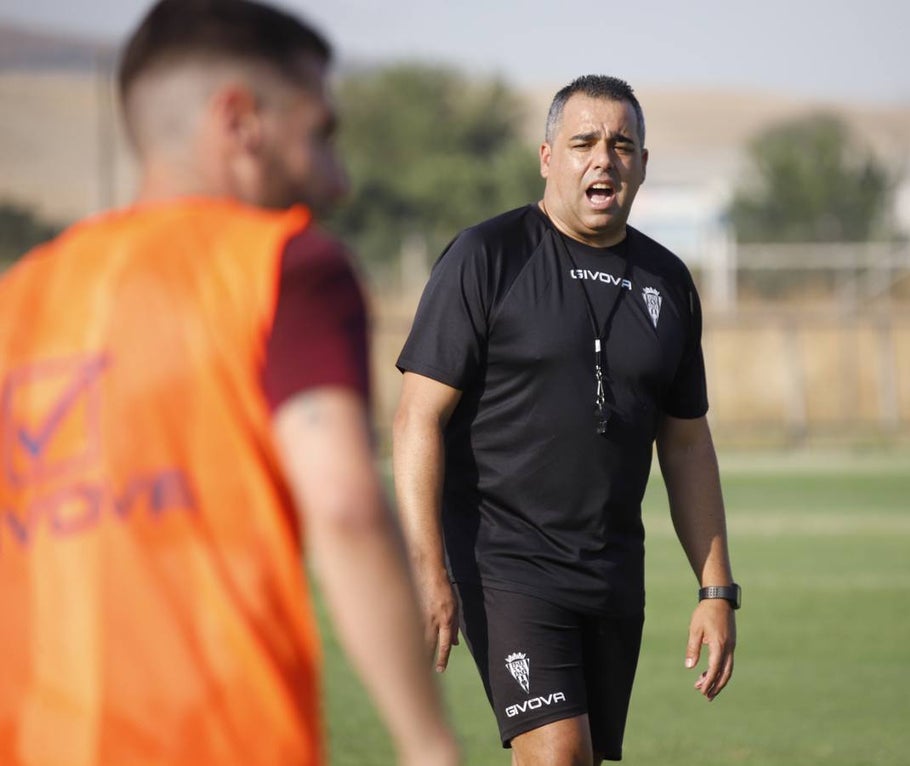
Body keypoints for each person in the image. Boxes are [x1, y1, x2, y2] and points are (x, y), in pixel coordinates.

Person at [0, 1, 459, 764]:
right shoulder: (283, 264)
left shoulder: (21, 296)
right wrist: (429, 745)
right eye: (321, 136)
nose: (338, 180)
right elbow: (344, 505)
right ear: (241, 120)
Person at [393, 74, 739, 765]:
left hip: (611, 568)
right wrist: (427, 569)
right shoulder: (487, 257)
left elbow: (687, 444)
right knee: (557, 754)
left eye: (622, 145)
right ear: (548, 156)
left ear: (642, 164)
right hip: (503, 557)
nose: (603, 159)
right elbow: (415, 422)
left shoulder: (667, 282)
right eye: (583, 142)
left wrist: (717, 590)